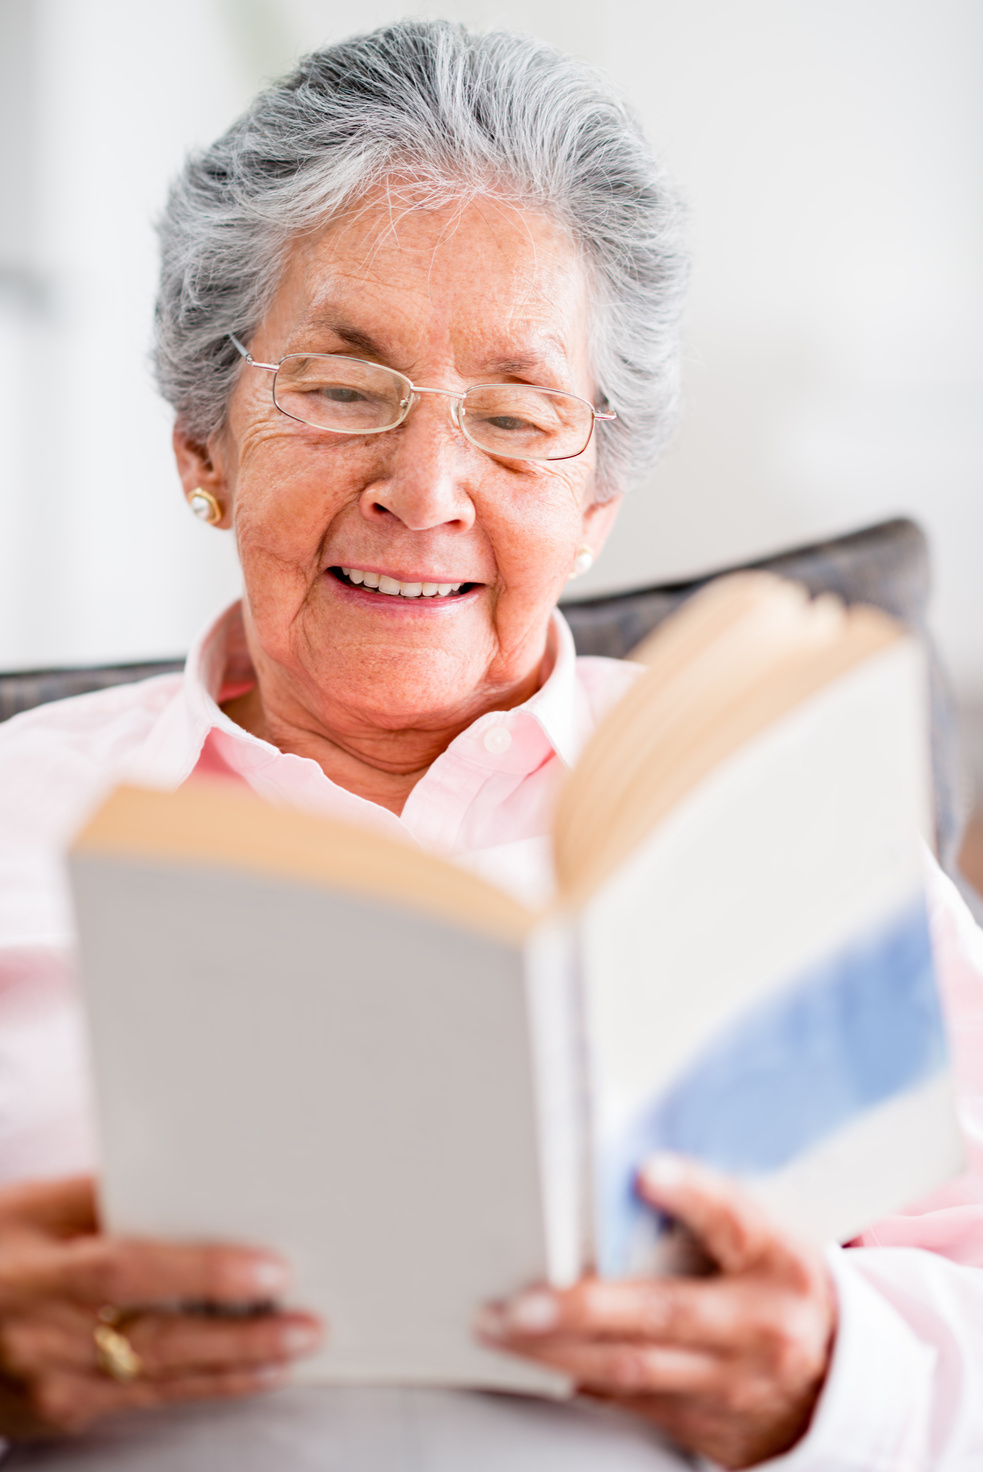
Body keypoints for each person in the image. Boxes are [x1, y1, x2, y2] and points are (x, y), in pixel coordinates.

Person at [0, 20, 981, 1469]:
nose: (426, 489)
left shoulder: (770, 805)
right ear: (203, 442)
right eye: (342, 389)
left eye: (518, 416)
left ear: (596, 499)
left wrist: (830, 1375)